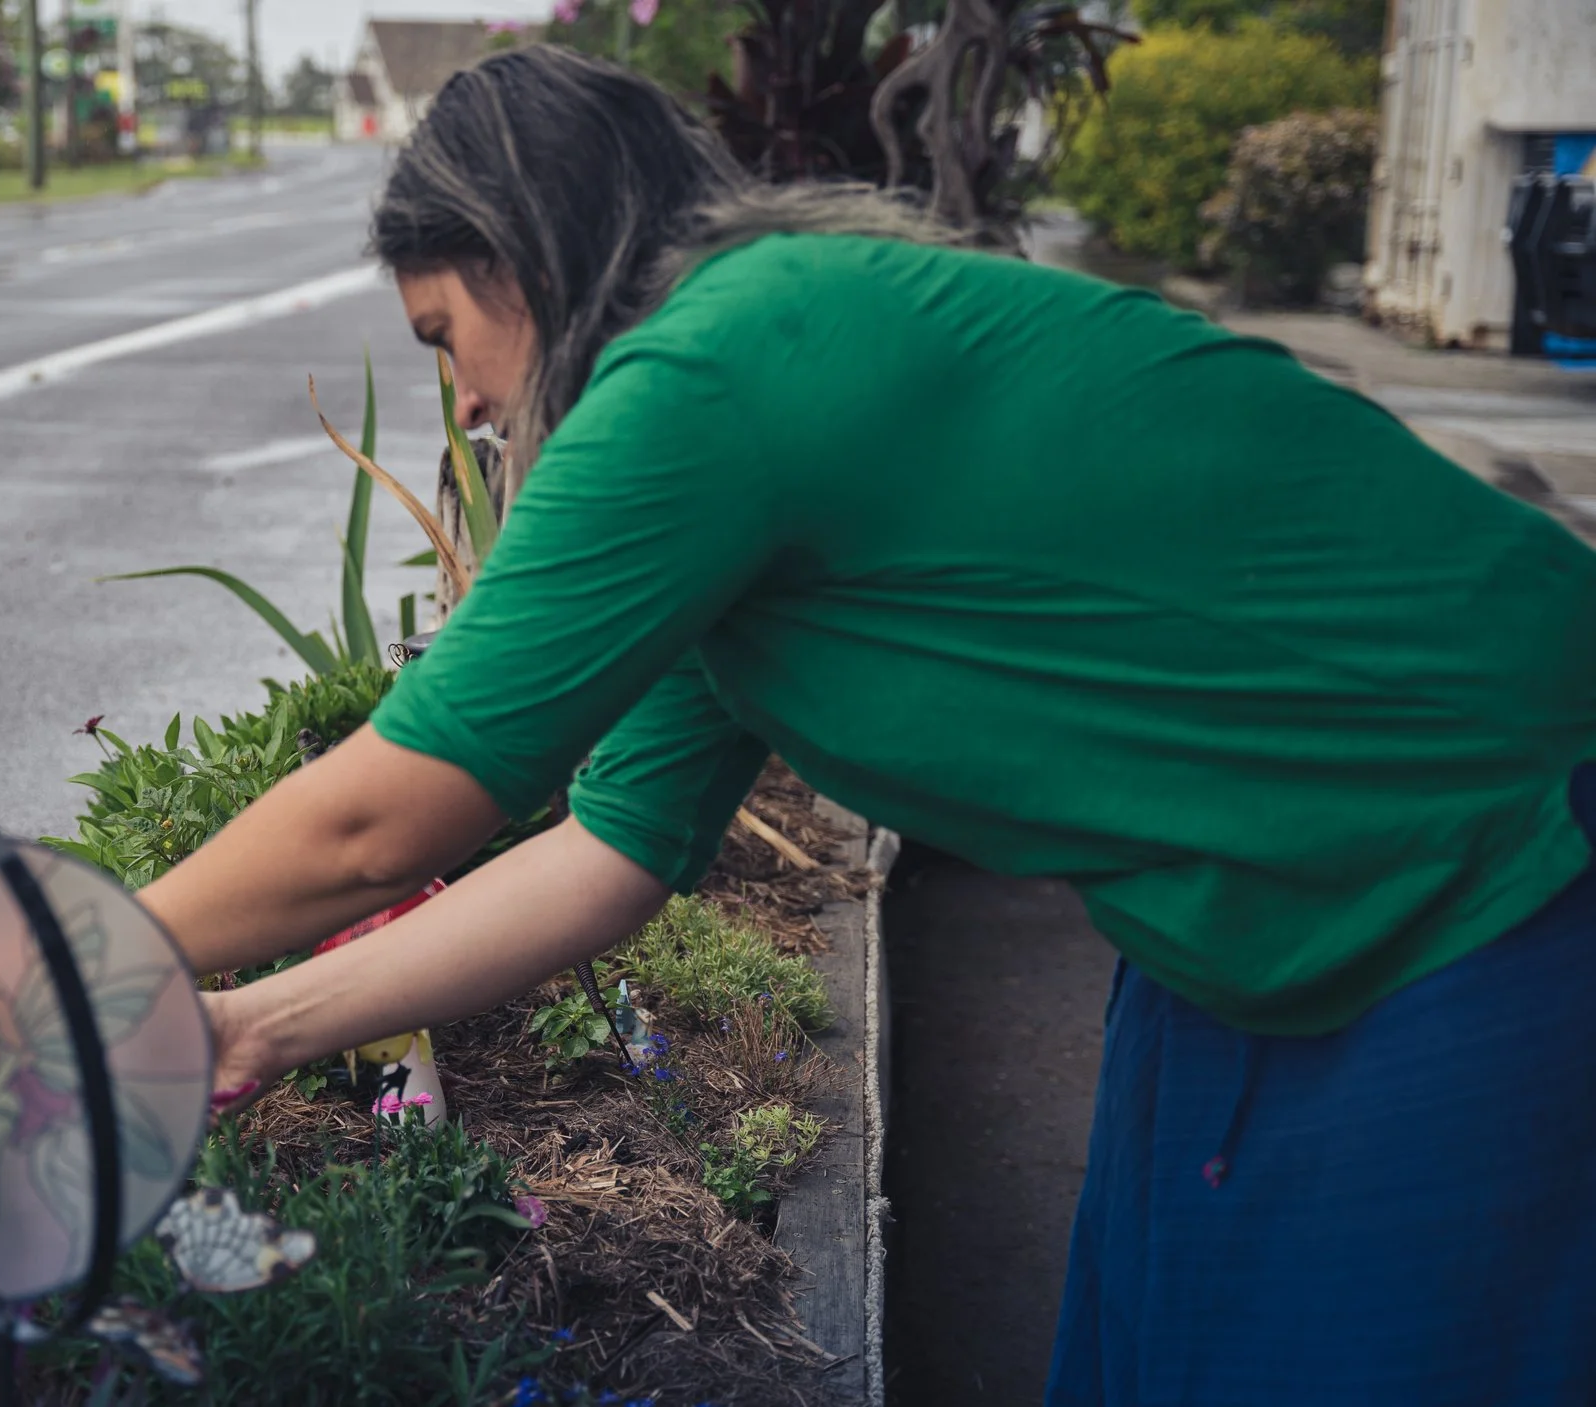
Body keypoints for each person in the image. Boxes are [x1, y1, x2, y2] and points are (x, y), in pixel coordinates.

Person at [134, 44, 1596, 1406]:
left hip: (1482, 851)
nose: (462, 401)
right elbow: (610, 849)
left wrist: (77, 964)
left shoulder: (710, 372)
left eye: (446, 337)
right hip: (1256, 902)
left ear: (523, 254)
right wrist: (247, 1027)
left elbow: (384, 818)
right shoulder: (745, 389)